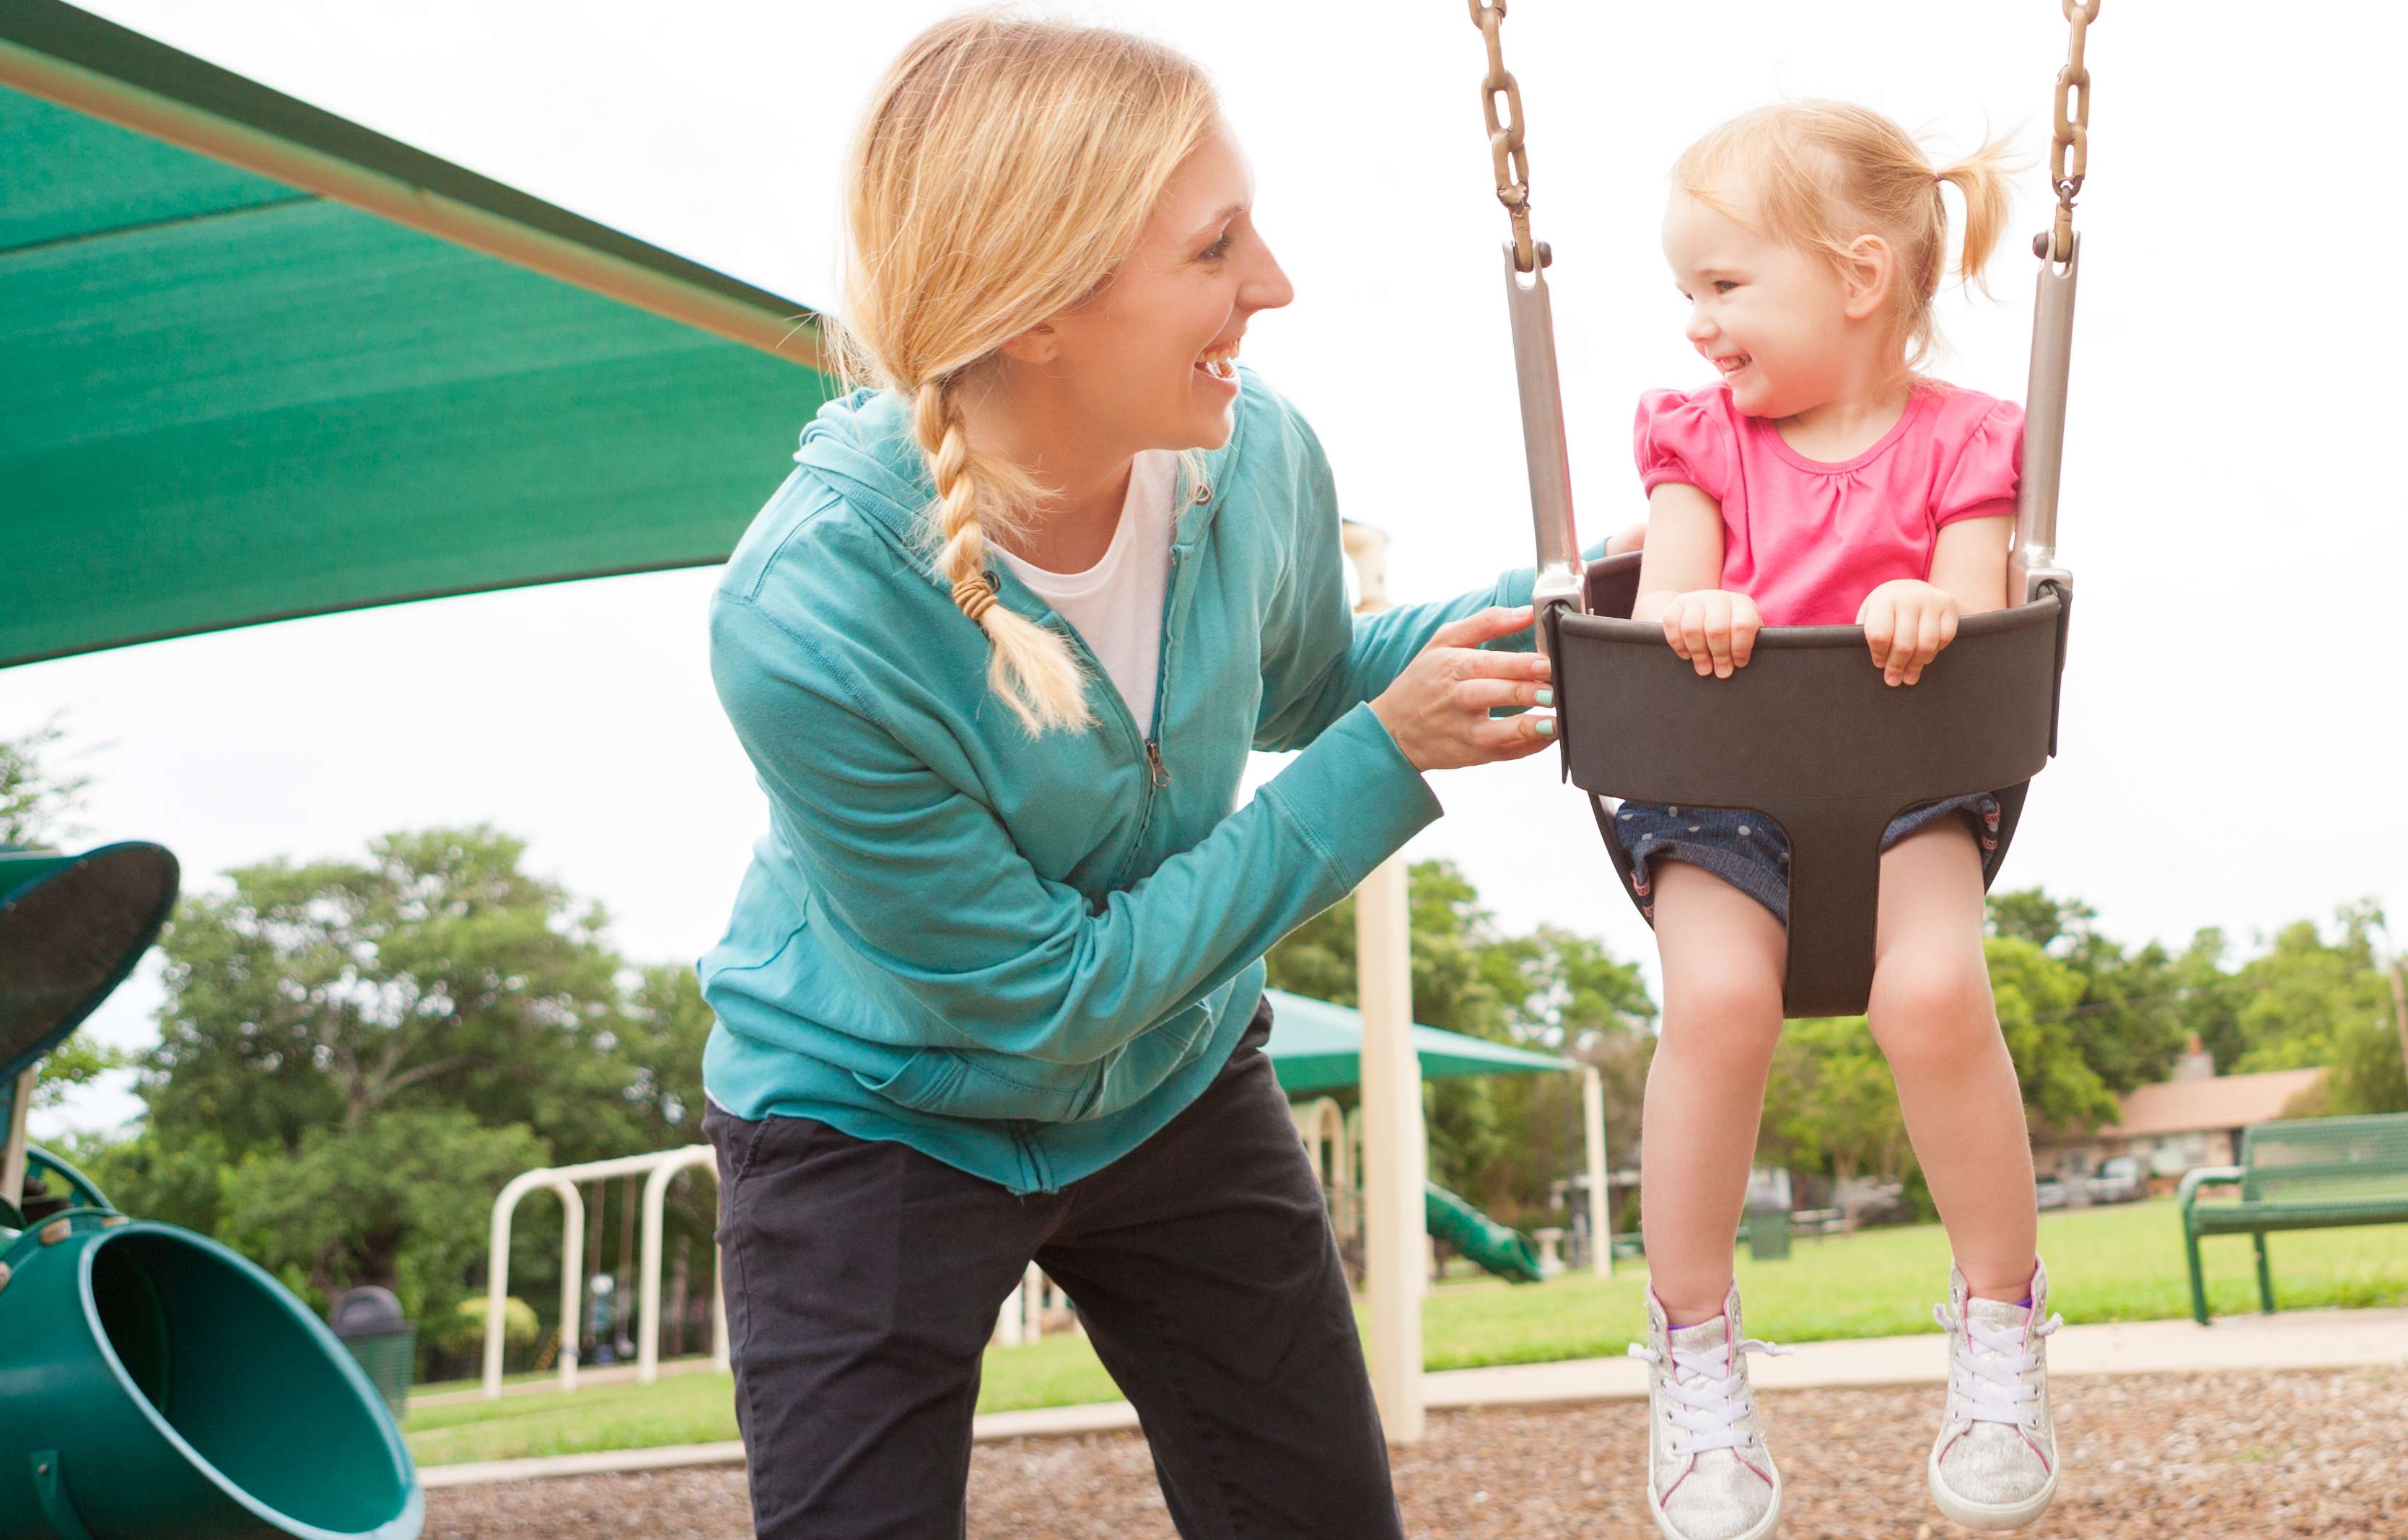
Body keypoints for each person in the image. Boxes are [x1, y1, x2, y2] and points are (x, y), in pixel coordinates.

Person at [693, 15, 1582, 1537]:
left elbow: (1309, 679)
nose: (1275, 284)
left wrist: (1580, 604)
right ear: (1039, 309)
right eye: (1216, 247)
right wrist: (1384, 760)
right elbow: (1048, 996)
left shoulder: (1257, 457)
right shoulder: (811, 615)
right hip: (875, 1113)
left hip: (1170, 1086)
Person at [1617, 102, 2059, 1539]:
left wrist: (1933, 601)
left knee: (1930, 990)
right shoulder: (1700, 442)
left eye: (1726, 286)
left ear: (1860, 277)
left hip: (1909, 781)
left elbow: (1984, 610)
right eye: (1689, 289)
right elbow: (1670, 588)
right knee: (1722, 1005)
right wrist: (1703, 606)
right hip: (1719, 790)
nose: (1699, 323)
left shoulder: (1967, 444)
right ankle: (1693, 1352)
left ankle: (2000, 1329)